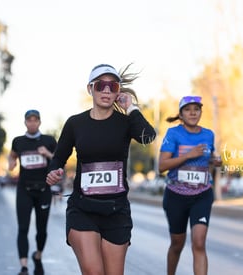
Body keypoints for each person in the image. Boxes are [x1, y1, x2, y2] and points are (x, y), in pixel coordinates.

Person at [46, 63, 156, 275]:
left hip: (116, 211)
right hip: (83, 208)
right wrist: (54, 170)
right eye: (101, 85)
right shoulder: (75, 123)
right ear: (90, 89)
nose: (106, 90)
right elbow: (59, 156)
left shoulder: (125, 122)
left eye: (112, 87)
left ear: (118, 92)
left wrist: (130, 108)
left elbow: (148, 136)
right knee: (94, 272)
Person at [158, 95, 222, 275]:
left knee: (199, 242)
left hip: (202, 194)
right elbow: (161, 166)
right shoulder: (174, 134)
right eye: (188, 109)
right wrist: (188, 155)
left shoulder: (208, 134)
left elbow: (209, 158)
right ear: (181, 114)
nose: (193, 113)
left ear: (201, 112)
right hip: (176, 196)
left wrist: (215, 161)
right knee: (177, 243)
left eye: (196, 109)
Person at [8, 109, 57, 275]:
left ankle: (38, 256)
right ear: (25, 122)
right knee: (23, 228)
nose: (32, 123)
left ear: (40, 122)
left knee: (41, 229)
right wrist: (11, 163)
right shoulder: (18, 141)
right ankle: (24, 267)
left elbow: (59, 160)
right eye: (29, 120)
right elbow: (12, 155)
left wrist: (47, 153)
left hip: (44, 190)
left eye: (35, 120)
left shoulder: (49, 140)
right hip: (24, 190)